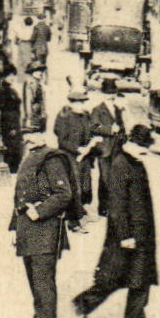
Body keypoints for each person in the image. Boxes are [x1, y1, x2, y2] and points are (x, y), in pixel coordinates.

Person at [73, 123, 159, 318]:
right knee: (112, 278)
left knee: (141, 276)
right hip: (126, 234)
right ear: (131, 144)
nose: (145, 152)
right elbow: (117, 205)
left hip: (142, 232)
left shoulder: (135, 161)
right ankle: (81, 305)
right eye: (142, 148)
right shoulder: (121, 165)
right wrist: (124, 236)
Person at [10, 131, 77, 318]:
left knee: (43, 282)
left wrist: (39, 211)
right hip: (28, 230)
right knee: (35, 282)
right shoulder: (30, 157)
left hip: (45, 229)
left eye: (33, 135)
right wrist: (13, 226)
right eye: (27, 136)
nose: (28, 140)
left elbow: (63, 194)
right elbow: (21, 195)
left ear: (42, 137)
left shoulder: (52, 159)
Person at [54, 89, 96, 221]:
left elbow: (90, 132)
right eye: (78, 103)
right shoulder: (64, 117)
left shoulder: (85, 116)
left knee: (86, 185)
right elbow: (62, 141)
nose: (81, 106)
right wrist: (78, 149)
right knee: (74, 186)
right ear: (71, 103)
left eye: (83, 103)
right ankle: (74, 217)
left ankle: (83, 211)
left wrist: (89, 146)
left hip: (85, 157)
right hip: (70, 156)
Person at [88, 77, 125, 215]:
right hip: (104, 149)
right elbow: (93, 127)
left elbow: (122, 127)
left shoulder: (117, 109)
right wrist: (110, 130)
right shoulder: (97, 110)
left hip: (116, 148)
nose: (111, 96)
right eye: (108, 93)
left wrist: (122, 137)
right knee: (104, 178)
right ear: (103, 94)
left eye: (113, 93)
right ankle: (103, 208)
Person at [21, 59, 49, 135]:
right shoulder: (31, 83)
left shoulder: (37, 83)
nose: (40, 73)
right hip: (34, 116)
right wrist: (29, 118)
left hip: (38, 116)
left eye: (41, 71)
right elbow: (28, 101)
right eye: (37, 70)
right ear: (32, 72)